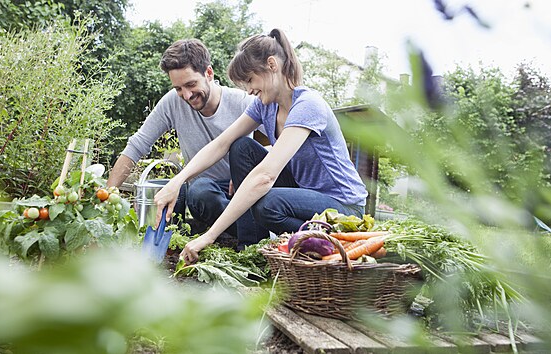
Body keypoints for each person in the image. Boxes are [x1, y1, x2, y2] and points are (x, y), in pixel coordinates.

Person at [153, 29, 368, 264]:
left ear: (272, 65)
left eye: (250, 80)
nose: (249, 90)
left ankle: (333, 240)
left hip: (343, 206)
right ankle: (250, 249)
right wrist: (178, 181)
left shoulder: (308, 105)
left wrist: (209, 236)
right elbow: (222, 143)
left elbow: (265, 176)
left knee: (268, 204)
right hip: (305, 191)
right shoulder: (264, 105)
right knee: (241, 147)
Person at [107, 38, 262, 246]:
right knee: (199, 192)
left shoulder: (243, 101)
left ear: (209, 73)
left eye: (190, 84)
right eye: (179, 88)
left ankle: (250, 231)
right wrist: (107, 197)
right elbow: (136, 146)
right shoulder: (172, 103)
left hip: (242, 191)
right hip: (205, 192)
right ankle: (244, 229)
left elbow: (278, 144)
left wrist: (250, 171)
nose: (187, 95)